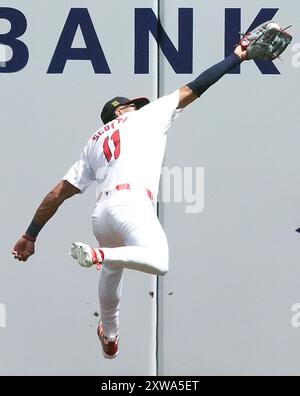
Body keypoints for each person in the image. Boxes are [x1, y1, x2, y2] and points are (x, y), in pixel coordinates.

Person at [12, 45, 249, 359]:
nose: (138, 107)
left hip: (102, 214)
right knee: (158, 261)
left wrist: (30, 235)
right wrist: (237, 57)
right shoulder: (147, 117)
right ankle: (99, 254)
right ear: (120, 112)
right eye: (131, 105)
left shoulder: (92, 143)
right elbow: (198, 85)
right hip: (133, 205)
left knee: (113, 270)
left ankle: (109, 333)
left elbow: (56, 195)